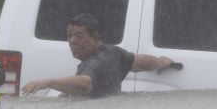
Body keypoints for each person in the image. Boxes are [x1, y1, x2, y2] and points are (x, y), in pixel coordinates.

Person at [22, 13, 178, 98]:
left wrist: (49, 82)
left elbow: (85, 84)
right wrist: (162, 62)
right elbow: (143, 63)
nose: (72, 42)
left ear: (95, 38)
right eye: (69, 36)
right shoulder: (115, 53)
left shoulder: (95, 63)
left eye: (79, 36)